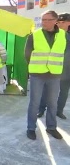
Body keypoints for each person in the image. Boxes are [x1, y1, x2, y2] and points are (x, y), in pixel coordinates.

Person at [25, 10, 67, 140]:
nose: (45, 22)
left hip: (54, 74)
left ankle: (51, 127)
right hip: (37, 74)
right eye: (43, 19)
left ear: (56, 21)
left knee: (52, 103)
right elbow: (27, 54)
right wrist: (34, 68)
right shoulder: (34, 35)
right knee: (34, 103)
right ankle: (31, 128)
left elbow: (65, 53)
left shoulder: (63, 35)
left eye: (48, 20)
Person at [37, 13, 70, 120]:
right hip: (51, 69)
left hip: (66, 70)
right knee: (46, 91)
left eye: (63, 22)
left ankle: (59, 111)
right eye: (58, 22)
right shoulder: (50, 33)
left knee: (63, 92)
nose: (60, 24)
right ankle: (41, 109)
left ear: (68, 23)